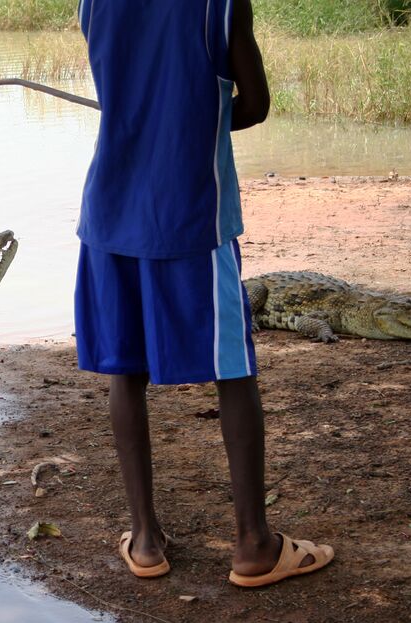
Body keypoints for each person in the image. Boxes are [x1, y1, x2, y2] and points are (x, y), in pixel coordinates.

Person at [74, 0, 333, 587]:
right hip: (192, 213)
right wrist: (196, 115)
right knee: (233, 368)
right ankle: (254, 547)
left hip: (110, 212)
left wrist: (152, 113)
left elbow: (124, 87)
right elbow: (257, 104)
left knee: (125, 370)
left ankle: (145, 542)